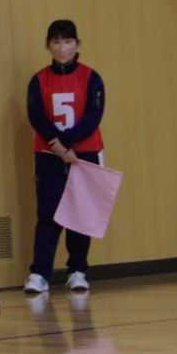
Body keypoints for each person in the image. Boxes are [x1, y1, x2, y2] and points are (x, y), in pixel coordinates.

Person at [24, 19, 106, 295]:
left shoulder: (92, 78)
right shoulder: (39, 80)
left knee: (81, 214)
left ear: (77, 45)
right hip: (49, 154)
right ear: (48, 46)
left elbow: (93, 116)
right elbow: (36, 116)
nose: (62, 47)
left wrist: (69, 144)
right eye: (56, 42)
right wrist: (57, 146)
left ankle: (78, 271)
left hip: (85, 153)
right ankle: (40, 274)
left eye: (68, 41)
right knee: (48, 212)